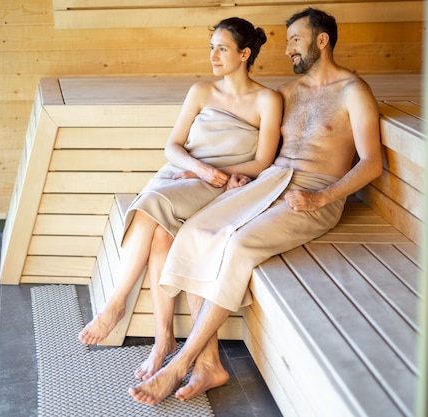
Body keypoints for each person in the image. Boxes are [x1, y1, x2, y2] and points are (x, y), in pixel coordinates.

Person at [129, 7, 383, 405]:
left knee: (238, 244)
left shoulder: (354, 92)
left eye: (295, 41)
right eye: (287, 43)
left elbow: (372, 163)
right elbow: (254, 141)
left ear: (322, 40)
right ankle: (209, 364)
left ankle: (181, 363)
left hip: (314, 191)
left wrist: (322, 197)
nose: (288, 51)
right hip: (270, 183)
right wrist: (219, 172)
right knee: (198, 230)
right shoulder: (286, 93)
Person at [78, 17, 283, 380]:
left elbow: (264, 160)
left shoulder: (267, 99)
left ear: (244, 53)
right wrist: (199, 169)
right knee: (159, 231)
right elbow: (172, 146)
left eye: (222, 48)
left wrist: (216, 174)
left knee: (151, 205)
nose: (214, 56)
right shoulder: (202, 91)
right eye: (212, 48)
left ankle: (117, 306)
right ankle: (163, 341)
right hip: (183, 176)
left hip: (219, 185)